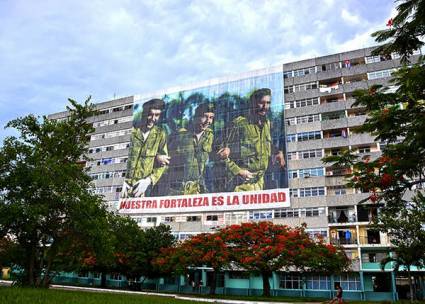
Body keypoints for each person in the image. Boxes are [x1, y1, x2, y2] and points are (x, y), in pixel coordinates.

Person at [217, 88, 285, 192]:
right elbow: (220, 154)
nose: (265, 107)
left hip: (259, 184)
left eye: (268, 103)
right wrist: (238, 171)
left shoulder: (266, 123)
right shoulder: (239, 124)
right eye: (261, 103)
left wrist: (278, 152)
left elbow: (264, 144)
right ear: (253, 103)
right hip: (240, 186)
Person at [122, 98, 169, 198]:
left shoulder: (160, 134)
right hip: (124, 189)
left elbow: (164, 163)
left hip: (142, 190)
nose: (152, 118)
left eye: (157, 115)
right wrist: (122, 182)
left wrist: (148, 180)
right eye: (150, 114)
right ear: (144, 113)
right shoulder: (132, 131)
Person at [165, 103, 215, 195]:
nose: (208, 121)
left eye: (211, 117)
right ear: (195, 117)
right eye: (205, 117)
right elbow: (166, 160)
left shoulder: (209, 136)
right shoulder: (180, 136)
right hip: (177, 190)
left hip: (197, 189)